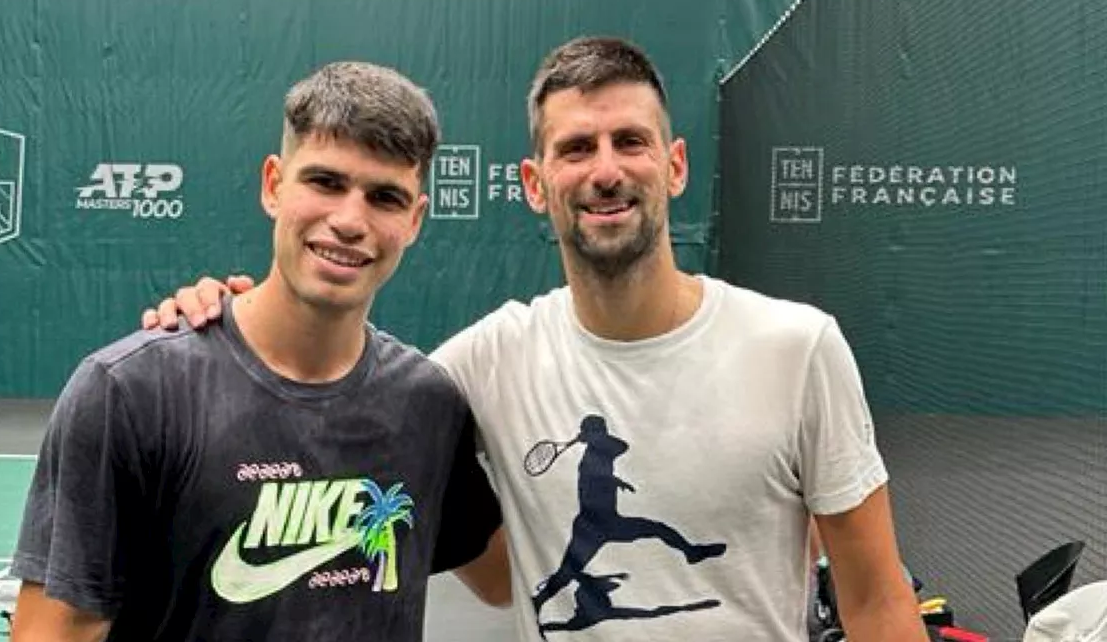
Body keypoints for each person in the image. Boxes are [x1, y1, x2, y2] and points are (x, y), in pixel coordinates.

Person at [142, 37, 929, 641]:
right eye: (576, 149)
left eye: (631, 142)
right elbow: (488, 572)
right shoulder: (483, 364)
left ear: (675, 165)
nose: (606, 170)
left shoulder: (798, 348)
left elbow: (873, 598)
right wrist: (221, 319)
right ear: (533, 182)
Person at [10, 61, 511, 642]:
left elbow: (504, 579)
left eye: (385, 197)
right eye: (325, 182)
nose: (350, 220)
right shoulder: (130, 391)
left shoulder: (427, 405)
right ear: (274, 184)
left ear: (415, 220)